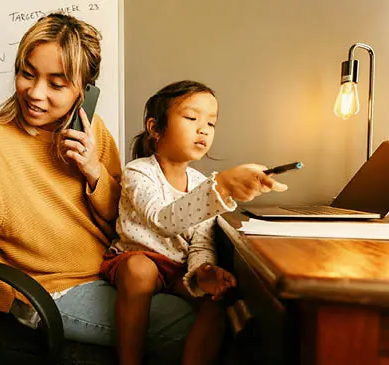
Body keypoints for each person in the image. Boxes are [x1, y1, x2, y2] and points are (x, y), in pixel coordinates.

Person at [102, 80, 288, 365]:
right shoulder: (138, 173)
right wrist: (223, 186)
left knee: (216, 307)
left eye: (211, 123)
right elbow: (162, 220)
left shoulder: (203, 185)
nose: (203, 129)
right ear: (155, 129)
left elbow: (200, 242)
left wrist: (203, 271)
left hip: (176, 268)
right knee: (139, 269)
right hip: (135, 258)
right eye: (192, 118)